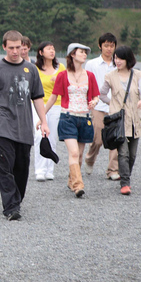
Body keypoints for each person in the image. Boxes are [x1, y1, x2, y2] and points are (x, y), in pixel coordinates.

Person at [0, 31, 49, 221]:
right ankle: (10, 207)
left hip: (24, 126)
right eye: (10, 47)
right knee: (4, 167)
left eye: (18, 47)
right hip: (2, 124)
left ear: (23, 46)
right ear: (3, 47)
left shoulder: (31, 69)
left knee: (22, 168)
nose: (15, 51)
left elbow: (37, 98)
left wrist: (44, 122)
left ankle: (17, 199)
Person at [43, 43, 100, 198]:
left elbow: (96, 95)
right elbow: (53, 97)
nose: (84, 55)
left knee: (80, 155)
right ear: (72, 54)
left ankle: (71, 179)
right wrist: (43, 118)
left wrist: (94, 102)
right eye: (81, 52)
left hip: (85, 118)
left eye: (85, 52)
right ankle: (78, 185)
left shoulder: (90, 76)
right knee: (74, 152)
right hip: (67, 118)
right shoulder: (62, 75)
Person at [98, 45, 141, 195]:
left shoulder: (137, 74)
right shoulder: (110, 76)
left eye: (120, 58)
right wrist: (112, 105)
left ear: (128, 59)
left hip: (135, 119)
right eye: (115, 58)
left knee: (132, 154)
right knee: (123, 153)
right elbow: (102, 94)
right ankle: (125, 183)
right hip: (119, 121)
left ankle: (125, 174)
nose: (117, 61)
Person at [85, 33, 120, 180]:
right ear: (100, 46)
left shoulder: (118, 63)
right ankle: (90, 158)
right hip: (98, 105)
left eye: (112, 46)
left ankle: (112, 170)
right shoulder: (92, 64)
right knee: (98, 139)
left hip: (116, 106)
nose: (109, 49)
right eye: (106, 45)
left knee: (116, 139)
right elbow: (87, 84)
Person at [33, 41, 65, 181]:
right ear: (41, 52)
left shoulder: (61, 68)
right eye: (48, 49)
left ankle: (49, 169)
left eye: (53, 49)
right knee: (39, 136)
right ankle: (39, 169)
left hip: (57, 105)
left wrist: (57, 79)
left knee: (52, 137)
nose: (52, 51)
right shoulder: (35, 68)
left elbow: (66, 85)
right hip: (39, 105)